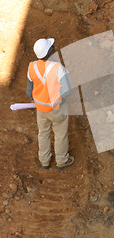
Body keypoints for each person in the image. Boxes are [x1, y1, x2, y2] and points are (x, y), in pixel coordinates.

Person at [26, 38, 74, 170]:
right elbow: (67, 89)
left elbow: (29, 91)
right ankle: (61, 161)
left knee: (43, 133)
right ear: (49, 51)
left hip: (41, 110)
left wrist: (38, 100)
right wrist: (59, 99)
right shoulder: (58, 68)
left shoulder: (32, 67)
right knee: (60, 134)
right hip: (57, 108)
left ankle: (44, 161)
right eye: (51, 47)